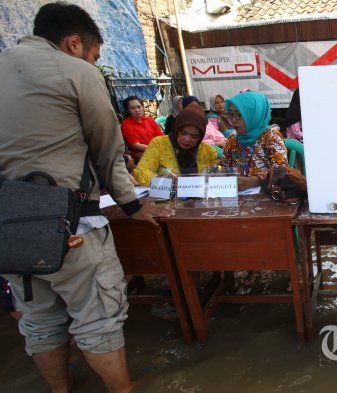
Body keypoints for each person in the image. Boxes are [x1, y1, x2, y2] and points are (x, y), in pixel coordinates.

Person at [0, 3, 173, 392]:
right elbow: (107, 151)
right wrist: (133, 205)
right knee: (97, 316)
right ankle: (123, 389)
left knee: (38, 320)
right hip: (70, 221)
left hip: (9, 224)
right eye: (95, 55)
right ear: (74, 42)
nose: (95, 61)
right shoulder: (77, 72)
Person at [132, 105, 218, 185]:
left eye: (194, 136)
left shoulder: (208, 152)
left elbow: (215, 178)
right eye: (183, 133)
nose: (187, 139)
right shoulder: (159, 144)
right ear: (177, 129)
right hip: (166, 197)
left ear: (200, 137)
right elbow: (141, 171)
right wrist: (164, 181)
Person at [219, 91, 289, 191]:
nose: (233, 120)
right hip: (237, 196)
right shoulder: (233, 140)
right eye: (230, 114)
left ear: (254, 115)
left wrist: (253, 180)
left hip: (266, 195)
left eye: (239, 115)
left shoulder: (271, 138)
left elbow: (281, 171)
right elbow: (223, 165)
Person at [120, 96, 163, 160]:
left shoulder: (149, 120)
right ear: (128, 110)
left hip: (157, 149)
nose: (137, 110)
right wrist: (155, 149)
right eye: (132, 108)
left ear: (143, 107)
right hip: (140, 153)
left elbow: (160, 137)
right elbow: (136, 145)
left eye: (139, 107)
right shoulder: (126, 125)